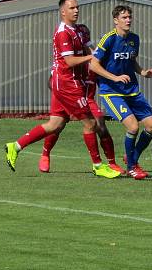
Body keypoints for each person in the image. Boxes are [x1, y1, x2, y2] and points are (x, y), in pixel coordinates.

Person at [4, 0, 121, 178]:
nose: (76, 11)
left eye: (77, 7)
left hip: (72, 82)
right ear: (63, 11)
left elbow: (92, 50)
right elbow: (69, 61)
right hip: (67, 83)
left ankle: (15, 146)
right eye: (72, 8)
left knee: (55, 124)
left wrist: (101, 55)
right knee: (90, 123)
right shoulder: (62, 33)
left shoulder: (81, 30)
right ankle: (98, 166)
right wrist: (92, 58)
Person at [38, 22, 122, 175]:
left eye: (84, 38)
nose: (82, 40)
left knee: (100, 125)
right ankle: (45, 154)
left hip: (87, 98)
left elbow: (105, 75)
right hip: (67, 95)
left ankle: (111, 163)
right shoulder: (69, 59)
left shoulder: (95, 60)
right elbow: (51, 82)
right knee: (57, 126)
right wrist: (66, 97)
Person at [89, 5, 152, 180]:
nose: (128, 20)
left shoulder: (134, 39)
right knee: (133, 126)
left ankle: (131, 157)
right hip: (111, 91)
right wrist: (115, 77)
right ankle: (132, 167)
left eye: (129, 17)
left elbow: (131, 62)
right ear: (115, 21)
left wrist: (143, 72)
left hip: (131, 90)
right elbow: (93, 65)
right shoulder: (109, 39)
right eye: (124, 17)